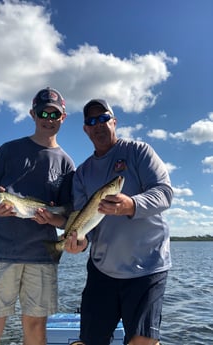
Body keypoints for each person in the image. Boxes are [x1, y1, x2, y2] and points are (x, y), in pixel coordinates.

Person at [65, 99, 173, 345]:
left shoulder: (139, 151)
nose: (98, 125)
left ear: (114, 121)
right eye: (91, 122)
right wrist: (78, 243)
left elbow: (164, 193)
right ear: (85, 129)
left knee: (142, 342)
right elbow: (86, 225)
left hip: (148, 266)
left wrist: (131, 205)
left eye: (103, 118)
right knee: (91, 341)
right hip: (102, 271)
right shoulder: (82, 173)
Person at [0, 87, 75, 345]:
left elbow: (67, 217)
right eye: (43, 112)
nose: (48, 119)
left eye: (55, 114)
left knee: (35, 328)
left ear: (63, 117)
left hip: (41, 256)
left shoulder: (66, 163)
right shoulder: (8, 150)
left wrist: (52, 219)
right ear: (32, 114)